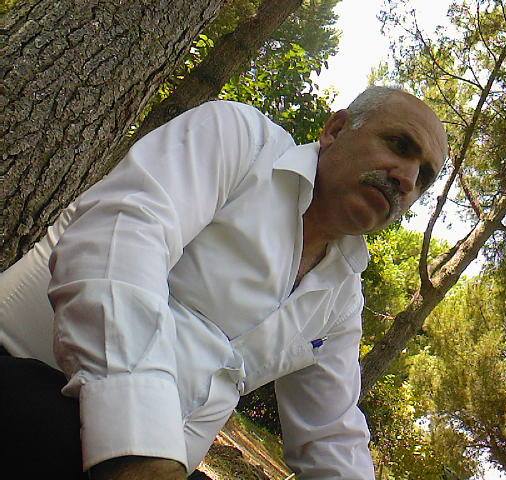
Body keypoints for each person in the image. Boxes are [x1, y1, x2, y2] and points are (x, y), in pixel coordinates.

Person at [0, 86, 447, 479]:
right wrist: (142, 453)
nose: (406, 179)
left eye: (424, 177)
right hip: (28, 382)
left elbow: (331, 433)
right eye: (399, 145)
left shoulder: (342, 297)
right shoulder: (243, 142)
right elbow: (116, 248)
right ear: (335, 130)